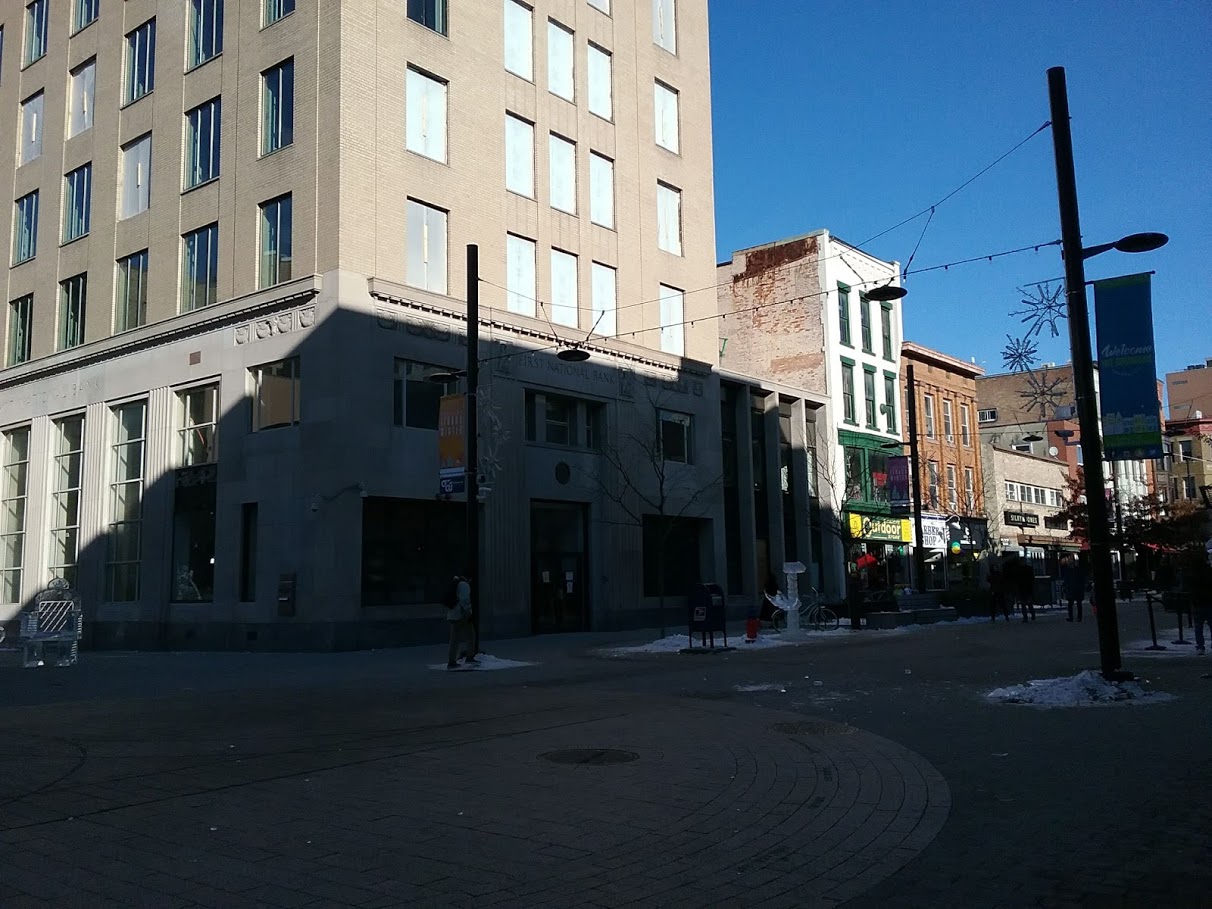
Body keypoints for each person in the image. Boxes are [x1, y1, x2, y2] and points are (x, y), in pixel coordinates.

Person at [445, 574, 478, 669]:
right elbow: (465, 599)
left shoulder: (455, 583)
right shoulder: (464, 585)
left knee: (455, 638)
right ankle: (468, 656)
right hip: (461, 615)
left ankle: (453, 660)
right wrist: (469, 612)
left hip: (452, 614)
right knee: (470, 635)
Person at [1182, 551, 1212, 655]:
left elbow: (1186, 586)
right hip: (1209, 601)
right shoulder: (1209, 571)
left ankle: (1200, 647)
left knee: (1198, 627)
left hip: (1197, 602)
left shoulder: (1191, 573)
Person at [1061, 556, 1087, 623]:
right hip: (1073, 589)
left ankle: (1076, 617)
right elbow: (1066, 580)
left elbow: (1081, 579)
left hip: (1074, 589)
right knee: (1074, 604)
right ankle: (1075, 617)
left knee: (1075, 604)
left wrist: (1065, 587)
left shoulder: (1071, 571)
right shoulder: (1074, 570)